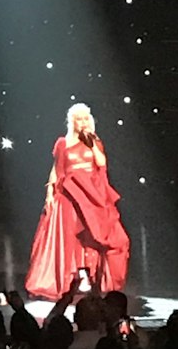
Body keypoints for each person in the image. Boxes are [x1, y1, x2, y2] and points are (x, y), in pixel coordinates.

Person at [25, 104, 130, 300]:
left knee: (91, 237)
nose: (82, 122)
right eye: (78, 119)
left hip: (90, 196)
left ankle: (90, 277)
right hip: (69, 195)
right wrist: (49, 192)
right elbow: (56, 170)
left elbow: (101, 163)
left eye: (85, 119)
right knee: (69, 239)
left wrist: (91, 143)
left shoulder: (94, 141)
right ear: (72, 121)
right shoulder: (63, 143)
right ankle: (68, 279)